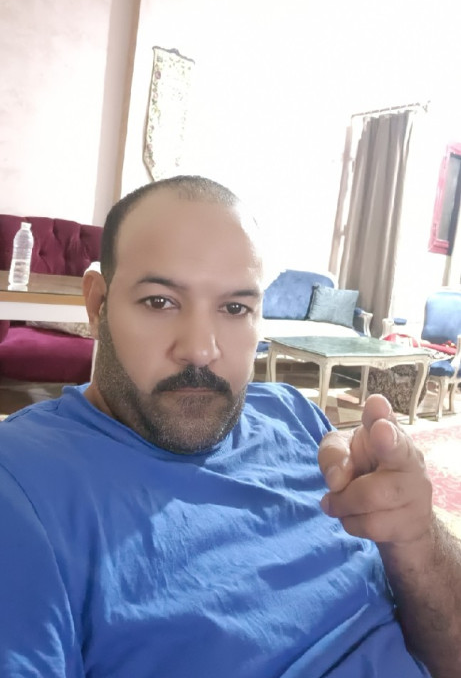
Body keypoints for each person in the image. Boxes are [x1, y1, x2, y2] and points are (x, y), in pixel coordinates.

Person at [0, 175, 459, 678]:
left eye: (235, 308)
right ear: (97, 306)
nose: (200, 350)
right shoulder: (21, 483)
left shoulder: (295, 413)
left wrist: (414, 535)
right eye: (159, 301)